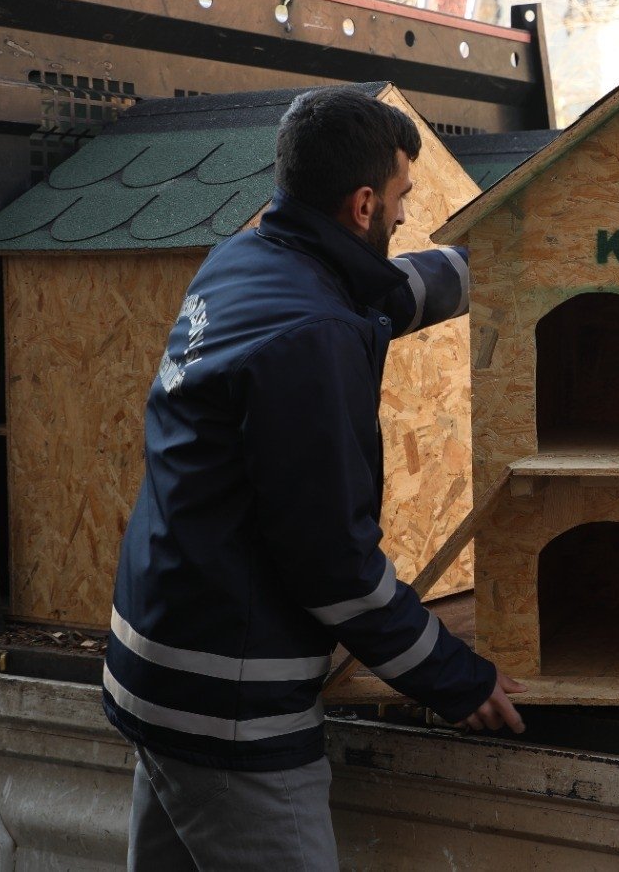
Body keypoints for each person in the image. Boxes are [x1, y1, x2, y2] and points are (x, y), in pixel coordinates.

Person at [102, 86, 522, 870]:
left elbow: (381, 295)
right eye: (399, 198)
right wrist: (453, 677)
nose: (404, 216)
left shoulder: (252, 259)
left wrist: (508, 261)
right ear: (363, 203)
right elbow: (334, 567)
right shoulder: (313, 336)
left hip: (158, 664)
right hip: (229, 708)